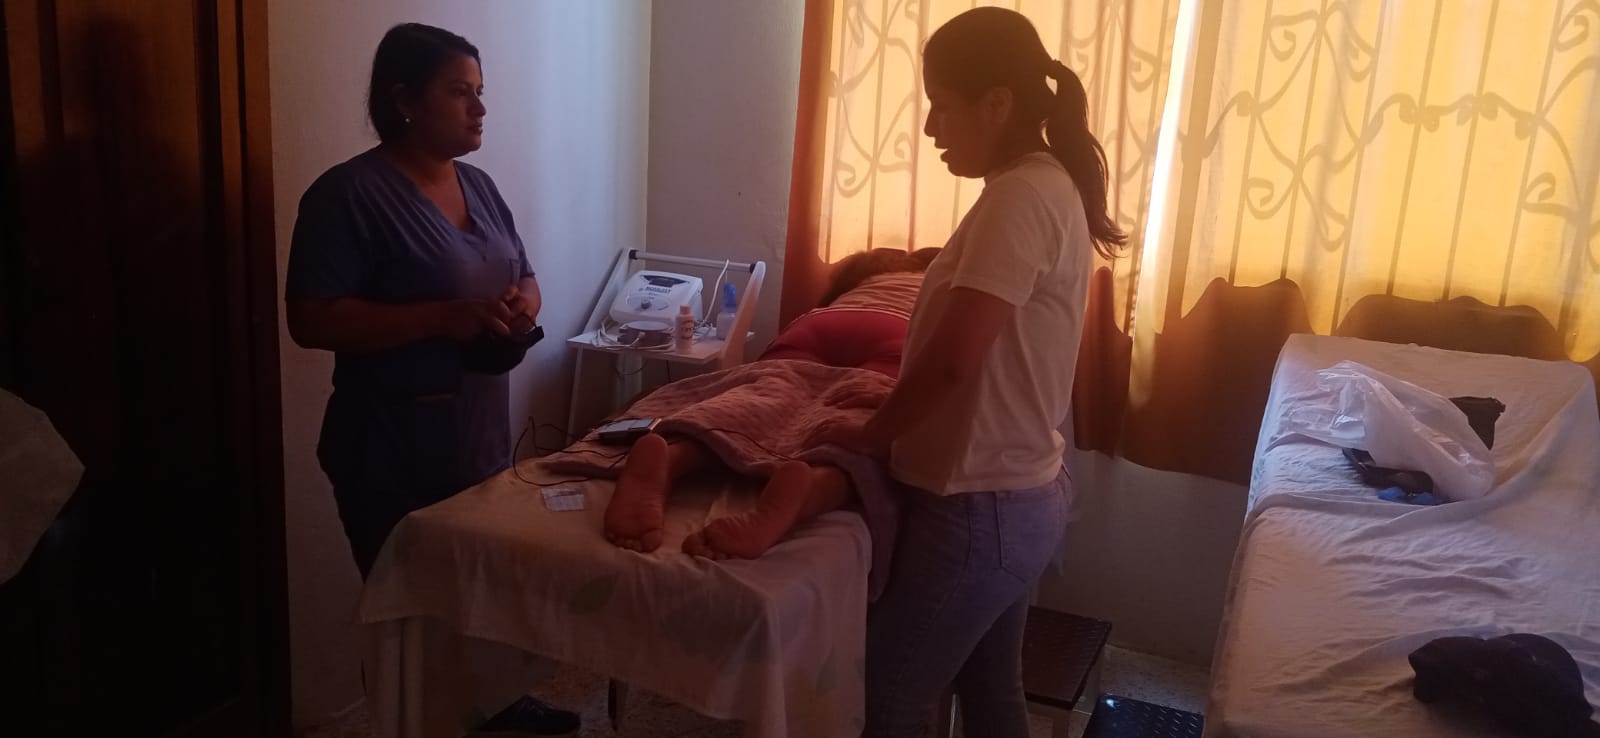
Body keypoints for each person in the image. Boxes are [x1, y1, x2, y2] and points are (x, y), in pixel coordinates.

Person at [810, 8, 1128, 737]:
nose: (930, 129)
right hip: (1014, 496)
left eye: (943, 107)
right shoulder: (1041, 186)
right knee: (990, 693)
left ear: (998, 104)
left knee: (889, 693)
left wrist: (870, 433)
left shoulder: (1021, 198)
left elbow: (956, 360)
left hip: (980, 509)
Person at [283, 23, 577, 736]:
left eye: (481, 91)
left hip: (476, 440)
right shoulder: (347, 196)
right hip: (388, 448)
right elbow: (311, 319)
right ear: (405, 100)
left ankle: (496, 707)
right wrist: (442, 318)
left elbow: (526, 274)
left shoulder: (480, 185)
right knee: (407, 618)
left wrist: (522, 304)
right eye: (459, 92)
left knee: (480, 598)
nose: (480, 108)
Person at [600, 248, 937, 560]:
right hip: (897, 331)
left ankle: (675, 456)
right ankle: (815, 484)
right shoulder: (940, 282)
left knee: (762, 397)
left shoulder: (869, 277)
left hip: (820, 324)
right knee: (857, 421)